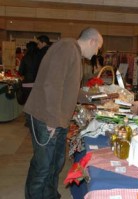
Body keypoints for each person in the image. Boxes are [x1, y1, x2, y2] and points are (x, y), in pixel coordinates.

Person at [24, 27, 103, 199]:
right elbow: (53, 85)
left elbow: (71, 89)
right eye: (98, 47)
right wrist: (52, 121)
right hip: (45, 117)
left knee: (55, 163)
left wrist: (97, 99)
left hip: (58, 119)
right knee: (43, 165)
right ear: (92, 41)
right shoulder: (67, 48)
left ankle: (50, 195)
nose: (98, 51)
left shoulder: (73, 52)